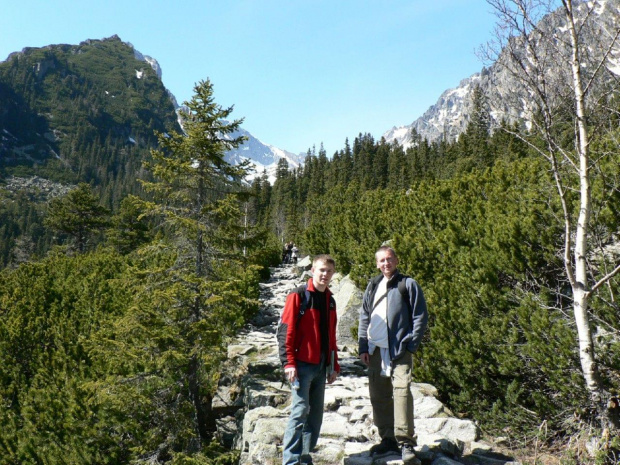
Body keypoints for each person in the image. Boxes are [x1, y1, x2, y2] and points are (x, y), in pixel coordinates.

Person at [358, 246, 428, 465]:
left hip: (399, 350)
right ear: (377, 263)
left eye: (389, 259)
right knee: (378, 394)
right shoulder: (373, 285)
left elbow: (420, 315)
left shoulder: (408, 284)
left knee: (402, 392)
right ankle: (387, 438)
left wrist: (411, 345)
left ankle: (405, 441)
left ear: (396, 260)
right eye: (381, 260)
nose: (386, 263)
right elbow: (364, 316)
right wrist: (362, 346)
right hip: (375, 349)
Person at [278, 254, 340, 465]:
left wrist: (334, 365)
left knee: (315, 417)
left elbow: (331, 336)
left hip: (322, 365)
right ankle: (291, 460)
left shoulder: (330, 301)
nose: (325, 275)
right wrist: (288, 362)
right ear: (312, 270)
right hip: (302, 364)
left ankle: (304, 456)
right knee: (299, 411)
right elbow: (285, 331)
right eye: (322, 270)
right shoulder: (298, 295)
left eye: (329, 271)